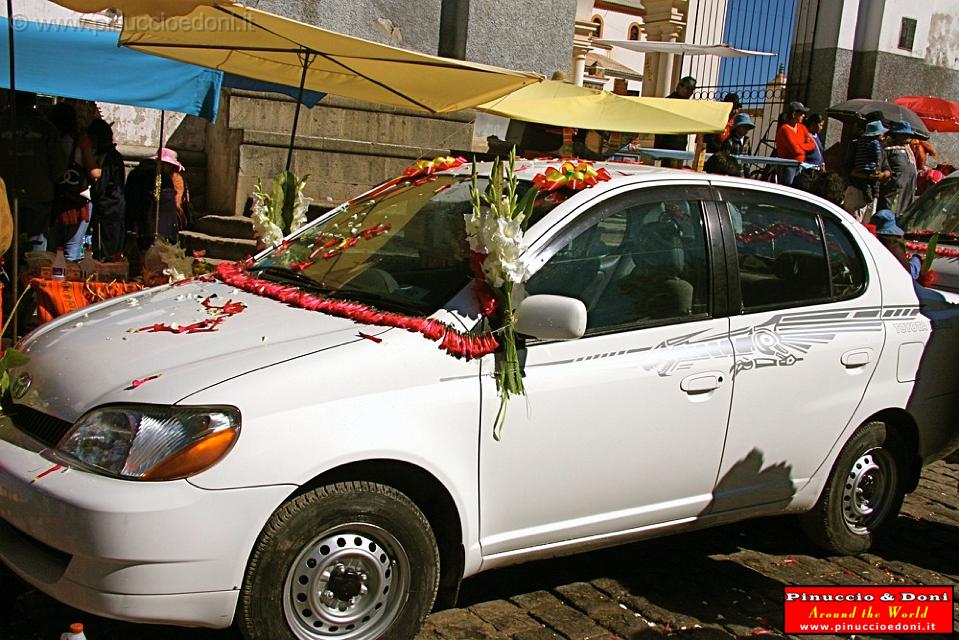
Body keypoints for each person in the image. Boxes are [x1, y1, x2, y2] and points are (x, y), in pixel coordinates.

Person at [0, 92, 66, 253]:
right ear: (34, 101)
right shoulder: (47, 128)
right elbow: (59, 167)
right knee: (35, 251)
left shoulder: (2, 123)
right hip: (37, 196)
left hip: (7, 195)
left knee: (6, 244)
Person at [48, 102, 95, 261]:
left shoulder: (51, 139)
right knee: (71, 251)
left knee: (51, 251)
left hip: (56, 200)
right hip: (78, 201)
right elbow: (92, 171)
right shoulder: (82, 140)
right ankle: (67, 285)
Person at [125, 148, 190, 253]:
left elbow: (176, 201)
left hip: (162, 220)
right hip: (150, 219)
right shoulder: (149, 174)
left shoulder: (174, 178)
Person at [86, 118, 126, 260]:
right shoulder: (111, 156)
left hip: (109, 211)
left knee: (106, 253)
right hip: (112, 210)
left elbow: (101, 187)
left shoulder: (110, 158)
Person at [844, 120, 890, 223]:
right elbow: (848, 169)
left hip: (873, 194)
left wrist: (882, 175)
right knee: (853, 222)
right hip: (857, 191)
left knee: (866, 225)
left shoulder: (881, 149)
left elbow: (888, 170)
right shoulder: (856, 145)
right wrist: (867, 176)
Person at [653, 76, 697, 168]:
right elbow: (659, 125)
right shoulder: (669, 102)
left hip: (681, 147)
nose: (690, 92)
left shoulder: (688, 105)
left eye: (692, 90)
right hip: (668, 147)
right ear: (679, 87)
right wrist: (658, 149)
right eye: (688, 88)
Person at [878, 120, 919, 214]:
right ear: (897, 135)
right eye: (904, 134)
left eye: (908, 134)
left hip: (907, 192)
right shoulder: (888, 150)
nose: (908, 137)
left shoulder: (908, 151)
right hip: (893, 193)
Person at [774, 101, 816, 185]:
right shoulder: (784, 129)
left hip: (800, 165)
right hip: (788, 166)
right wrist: (804, 146)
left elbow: (812, 145)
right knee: (787, 189)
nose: (803, 116)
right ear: (794, 114)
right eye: (801, 113)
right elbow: (795, 150)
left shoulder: (802, 127)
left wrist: (800, 146)